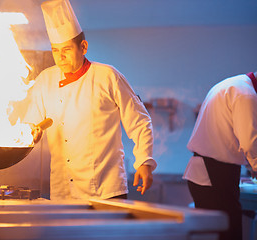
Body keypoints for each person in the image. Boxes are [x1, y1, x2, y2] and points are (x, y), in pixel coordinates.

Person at [24, 0, 156, 200]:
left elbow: (139, 121)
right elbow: (31, 124)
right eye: (55, 50)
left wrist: (144, 162)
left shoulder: (108, 76)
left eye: (66, 49)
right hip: (62, 190)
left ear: (83, 47)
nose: (60, 57)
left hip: (106, 189)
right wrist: (31, 133)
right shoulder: (45, 80)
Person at [183, 71, 257, 240]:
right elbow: (250, 140)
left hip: (207, 170)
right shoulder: (246, 94)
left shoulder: (233, 84)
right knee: (227, 233)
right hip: (215, 172)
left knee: (215, 232)